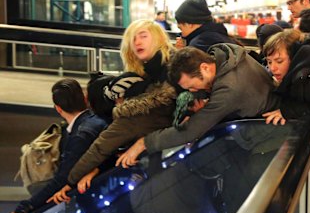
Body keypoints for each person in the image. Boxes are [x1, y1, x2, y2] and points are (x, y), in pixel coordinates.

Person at [116, 43, 279, 166]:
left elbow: (190, 132)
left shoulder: (230, 88)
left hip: (268, 141)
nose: (193, 91)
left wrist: (144, 143)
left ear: (205, 67)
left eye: (192, 86)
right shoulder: (227, 53)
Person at [0, 79, 107, 213]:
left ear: (58, 108)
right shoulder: (96, 121)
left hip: (92, 208)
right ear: (84, 99)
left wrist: (21, 209)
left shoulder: (80, 135)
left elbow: (62, 179)